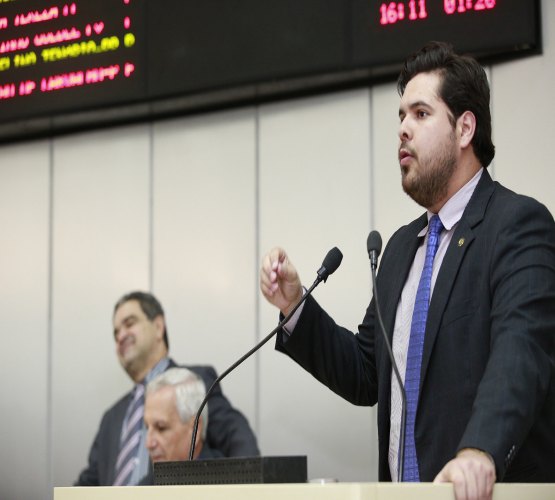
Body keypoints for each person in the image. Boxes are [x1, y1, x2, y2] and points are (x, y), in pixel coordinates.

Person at [260, 41, 555, 500]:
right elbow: (365, 371)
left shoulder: (516, 225)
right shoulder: (399, 248)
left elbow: (521, 352)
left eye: (420, 114)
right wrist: (295, 305)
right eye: (400, 116)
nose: (402, 130)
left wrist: (481, 450)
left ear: (464, 128)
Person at [75, 291, 259, 486]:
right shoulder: (111, 417)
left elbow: (238, 440)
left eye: (129, 324)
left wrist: (244, 491)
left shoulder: (194, 383)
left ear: (158, 326)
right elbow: (89, 483)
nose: (120, 336)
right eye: (115, 333)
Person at [139, 367, 223, 485]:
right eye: (147, 428)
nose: (149, 444)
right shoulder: (143, 490)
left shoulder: (228, 483)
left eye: (161, 428)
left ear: (195, 429)